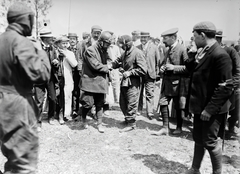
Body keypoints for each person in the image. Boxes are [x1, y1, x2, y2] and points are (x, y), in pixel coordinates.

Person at [0, 2, 51, 173]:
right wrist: (41, 51)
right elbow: (41, 75)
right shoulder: (21, 42)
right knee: (22, 164)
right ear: (25, 19)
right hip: (17, 104)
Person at [185, 21, 233, 174]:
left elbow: (225, 87)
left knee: (210, 142)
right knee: (198, 139)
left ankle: (217, 172)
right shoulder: (202, 51)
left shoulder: (220, 55)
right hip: (200, 106)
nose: (193, 40)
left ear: (202, 35)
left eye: (194, 37)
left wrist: (209, 109)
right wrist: (192, 54)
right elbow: (189, 70)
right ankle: (195, 168)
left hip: (212, 108)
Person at [150, 28, 189, 135]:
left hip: (178, 84)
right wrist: (162, 68)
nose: (163, 41)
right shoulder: (167, 49)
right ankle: (165, 127)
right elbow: (163, 63)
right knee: (162, 102)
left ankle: (179, 127)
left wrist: (174, 68)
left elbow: (189, 68)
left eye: (165, 38)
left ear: (173, 38)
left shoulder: (182, 49)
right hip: (167, 83)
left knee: (178, 106)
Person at [111, 35, 147, 132]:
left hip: (133, 82)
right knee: (123, 102)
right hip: (125, 82)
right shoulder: (125, 52)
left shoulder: (137, 53)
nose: (121, 47)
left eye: (122, 44)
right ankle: (127, 119)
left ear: (127, 44)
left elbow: (143, 70)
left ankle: (131, 123)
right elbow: (118, 61)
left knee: (132, 102)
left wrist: (130, 72)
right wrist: (112, 65)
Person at [80, 31, 112, 133]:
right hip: (90, 82)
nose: (107, 46)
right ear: (101, 41)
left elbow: (109, 60)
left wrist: (110, 64)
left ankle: (99, 123)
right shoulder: (90, 50)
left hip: (100, 82)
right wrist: (108, 67)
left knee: (100, 103)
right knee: (88, 104)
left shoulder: (104, 50)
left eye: (109, 44)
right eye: (106, 43)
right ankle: (84, 118)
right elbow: (95, 65)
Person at [215, 29, 240, 136]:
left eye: (216, 38)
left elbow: (238, 70)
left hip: (227, 86)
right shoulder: (209, 51)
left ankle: (224, 130)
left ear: (219, 39)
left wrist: (232, 84)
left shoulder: (230, 51)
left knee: (225, 109)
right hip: (214, 86)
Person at [34, 28, 59, 130]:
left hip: (51, 78)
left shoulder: (52, 48)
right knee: (39, 101)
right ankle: (37, 122)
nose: (52, 38)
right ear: (44, 38)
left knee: (53, 98)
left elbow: (56, 59)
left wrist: (56, 62)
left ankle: (51, 117)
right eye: (50, 37)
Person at [136, 32, 160, 119]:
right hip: (139, 74)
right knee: (139, 92)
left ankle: (149, 112)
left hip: (150, 74)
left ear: (149, 38)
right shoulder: (137, 48)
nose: (143, 39)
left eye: (145, 38)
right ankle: (139, 110)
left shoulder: (154, 47)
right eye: (141, 38)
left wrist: (157, 74)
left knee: (150, 93)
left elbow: (158, 62)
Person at [55, 36, 78, 124]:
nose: (64, 45)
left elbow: (74, 64)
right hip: (58, 77)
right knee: (58, 96)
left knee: (67, 95)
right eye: (63, 43)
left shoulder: (70, 53)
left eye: (66, 43)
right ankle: (58, 114)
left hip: (67, 77)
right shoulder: (55, 52)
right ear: (58, 44)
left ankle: (65, 114)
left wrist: (66, 55)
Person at [67, 33, 81, 118]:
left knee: (76, 91)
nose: (72, 40)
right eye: (70, 39)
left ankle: (76, 110)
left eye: (74, 39)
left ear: (76, 40)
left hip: (77, 73)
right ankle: (68, 109)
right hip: (68, 73)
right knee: (68, 91)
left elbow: (81, 60)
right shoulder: (67, 50)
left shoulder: (80, 50)